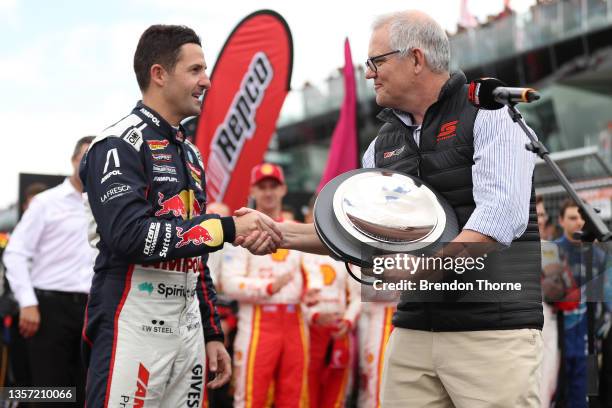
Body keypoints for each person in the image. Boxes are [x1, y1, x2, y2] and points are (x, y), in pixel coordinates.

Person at [264, 10, 544, 407]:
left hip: (492, 332)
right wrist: (277, 232)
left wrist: (418, 269)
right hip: (412, 332)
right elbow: (351, 233)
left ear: (415, 59)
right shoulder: (381, 144)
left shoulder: (492, 113)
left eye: (376, 62)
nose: (367, 74)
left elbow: (499, 219)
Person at [80, 25, 282, 407]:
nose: (206, 81)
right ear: (159, 74)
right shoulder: (117, 143)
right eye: (195, 70)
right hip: (132, 320)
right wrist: (229, 228)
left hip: (187, 326)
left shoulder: (191, 154)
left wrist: (210, 332)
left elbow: (195, 251)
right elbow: (130, 235)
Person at [3, 136, 96, 406]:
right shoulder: (46, 203)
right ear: (73, 160)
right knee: (50, 393)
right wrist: (28, 303)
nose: (91, 165)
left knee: (88, 392)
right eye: (85, 158)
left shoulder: (108, 206)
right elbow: (16, 253)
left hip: (94, 310)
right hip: (49, 309)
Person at [221, 163, 311, 408]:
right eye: (263, 187)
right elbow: (229, 284)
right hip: (258, 323)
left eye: (273, 186)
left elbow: (311, 276)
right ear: (253, 190)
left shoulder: (298, 230)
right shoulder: (240, 228)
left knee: (294, 398)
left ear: (283, 189)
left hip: (296, 323)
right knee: (251, 397)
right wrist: (268, 287)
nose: (268, 192)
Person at [301, 199, 360, 408]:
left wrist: (348, 320)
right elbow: (293, 295)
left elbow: (357, 295)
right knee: (307, 393)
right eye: (315, 216)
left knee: (336, 395)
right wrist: (313, 316)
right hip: (309, 333)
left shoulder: (345, 253)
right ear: (308, 218)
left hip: (338, 332)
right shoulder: (298, 253)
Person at [554, 198, 606, 408]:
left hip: (589, 346)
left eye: (582, 218)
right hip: (557, 345)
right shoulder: (550, 252)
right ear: (561, 220)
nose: (579, 223)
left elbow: (605, 300)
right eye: (572, 217)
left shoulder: (600, 257)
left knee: (585, 400)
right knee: (555, 398)